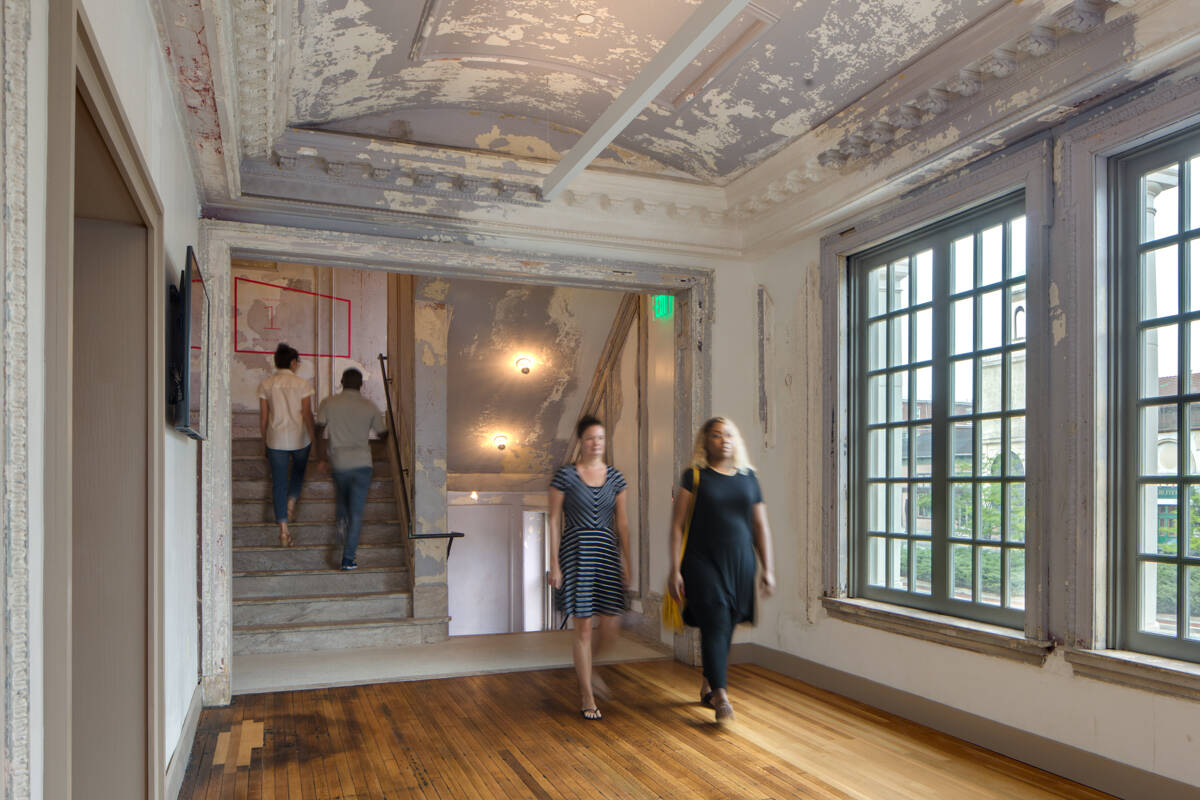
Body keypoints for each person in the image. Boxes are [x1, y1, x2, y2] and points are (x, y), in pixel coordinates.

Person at [667, 416, 775, 724]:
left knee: (725, 625)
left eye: (729, 434)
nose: (723, 440)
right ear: (706, 442)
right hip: (702, 562)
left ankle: (708, 684)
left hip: (740, 563)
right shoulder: (694, 476)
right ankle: (722, 696)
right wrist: (674, 569)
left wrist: (768, 569)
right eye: (716, 435)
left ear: (736, 440)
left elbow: (760, 526)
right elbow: (677, 526)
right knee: (715, 618)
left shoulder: (749, 478)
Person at [548, 416, 631, 721]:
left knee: (611, 625)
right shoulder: (565, 476)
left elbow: (622, 523)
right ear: (581, 442)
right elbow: (553, 520)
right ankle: (587, 696)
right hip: (576, 554)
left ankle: (589, 667)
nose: (596, 443)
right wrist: (554, 564)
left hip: (607, 554)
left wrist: (628, 561)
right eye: (590, 438)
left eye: (601, 438)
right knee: (582, 628)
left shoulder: (616, 478)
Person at [315, 368, 387, 570]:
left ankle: (341, 520)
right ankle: (348, 559)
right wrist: (377, 455)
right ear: (361, 385)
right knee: (357, 512)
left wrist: (321, 458)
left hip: (339, 462)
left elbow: (318, 429)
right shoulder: (369, 406)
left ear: (341, 382)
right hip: (363, 464)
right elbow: (383, 434)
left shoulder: (329, 403)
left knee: (342, 498)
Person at [257, 343, 316, 547]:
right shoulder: (303, 384)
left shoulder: (266, 384)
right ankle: (291, 503)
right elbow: (307, 414)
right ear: (292, 362)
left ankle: (283, 531)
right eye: (297, 362)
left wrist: (264, 442)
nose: (297, 365)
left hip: (275, 440)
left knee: (279, 483)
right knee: (298, 473)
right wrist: (314, 438)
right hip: (300, 439)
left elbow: (263, 419)